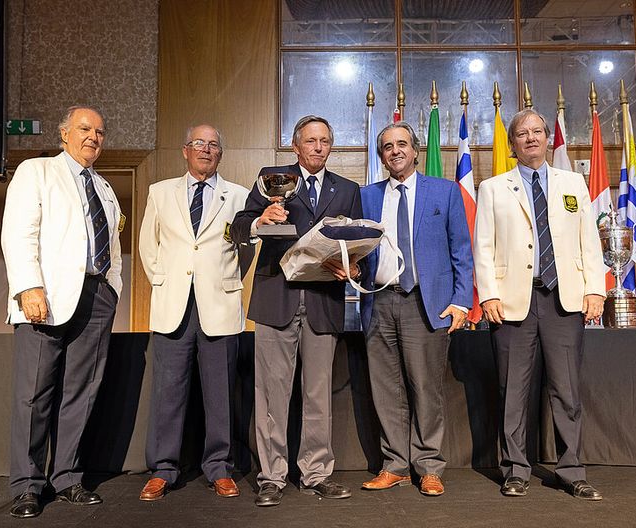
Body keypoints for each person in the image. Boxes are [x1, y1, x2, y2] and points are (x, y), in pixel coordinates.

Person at [473, 108, 605, 500]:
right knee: (513, 390)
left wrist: (595, 289)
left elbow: (589, 241)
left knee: (567, 391)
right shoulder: (493, 188)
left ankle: (571, 470)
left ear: (548, 138)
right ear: (513, 144)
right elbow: (483, 246)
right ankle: (516, 469)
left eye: (537, 132)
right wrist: (489, 294)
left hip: (564, 301)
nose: (530, 138)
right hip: (513, 300)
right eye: (522, 133)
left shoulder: (573, 183)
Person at [231, 115, 362, 507]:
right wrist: (260, 219)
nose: (318, 147)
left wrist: (354, 266)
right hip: (277, 299)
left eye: (325, 141)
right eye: (311, 141)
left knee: (318, 395)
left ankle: (317, 473)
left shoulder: (347, 189)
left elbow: (355, 239)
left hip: (324, 303)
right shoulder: (271, 178)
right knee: (271, 395)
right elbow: (238, 227)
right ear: (296, 145)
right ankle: (272, 476)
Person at [2, 106, 123, 518]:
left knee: (81, 392)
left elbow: (111, 244)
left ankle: (68, 477)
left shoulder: (104, 186)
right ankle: (27, 486)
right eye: (85, 129)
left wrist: (113, 288)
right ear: (64, 133)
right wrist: (27, 286)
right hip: (46, 297)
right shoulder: (36, 171)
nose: (93, 137)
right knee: (33, 395)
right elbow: (19, 231)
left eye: (100, 132)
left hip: (97, 296)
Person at [137, 124, 253, 501]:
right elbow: (147, 245)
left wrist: (227, 279)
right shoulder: (159, 192)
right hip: (173, 306)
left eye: (214, 144)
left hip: (218, 304)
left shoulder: (238, 195)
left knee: (220, 393)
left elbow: (247, 247)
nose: (206, 149)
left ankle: (219, 467)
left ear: (221, 153)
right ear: (185, 150)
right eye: (199, 143)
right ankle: (163, 469)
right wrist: (166, 279)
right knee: (168, 393)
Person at [358, 122, 473, 496]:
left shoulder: (445, 191)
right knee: (385, 390)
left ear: (416, 150)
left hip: (427, 304)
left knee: (426, 389)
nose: (395, 151)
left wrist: (461, 301)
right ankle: (394, 465)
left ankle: (428, 466)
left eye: (402, 144)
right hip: (379, 300)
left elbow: (461, 251)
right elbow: (356, 248)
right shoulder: (367, 196)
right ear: (382, 156)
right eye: (388, 146)